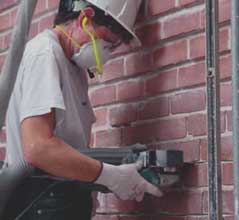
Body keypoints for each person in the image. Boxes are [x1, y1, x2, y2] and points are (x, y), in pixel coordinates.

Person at [3, 0, 162, 219]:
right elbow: (38, 147)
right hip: (38, 203)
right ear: (84, 18)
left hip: (58, 201)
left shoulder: (74, 67)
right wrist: (110, 176)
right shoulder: (45, 53)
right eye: (107, 42)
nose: (108, 52)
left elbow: (71, 146)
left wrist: (94, 183)